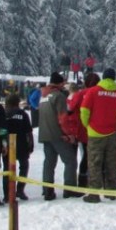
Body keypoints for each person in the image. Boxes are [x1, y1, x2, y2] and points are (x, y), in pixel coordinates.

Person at [81, 68, 116, 203]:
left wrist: (87, 125)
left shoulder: (93, 91)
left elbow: (84, 110)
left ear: (103, 77)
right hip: (111, 133)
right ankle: (111, 192)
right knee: (111, 163)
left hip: (95, 133)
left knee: (94, 163)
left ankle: (94, 194)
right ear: (114, 78)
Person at [38, 72, 78, 200]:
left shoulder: (43, 96)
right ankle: (70, 189)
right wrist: (68, 134)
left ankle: (47, 190)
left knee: (49, 163)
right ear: (59, 83)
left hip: (45, 133)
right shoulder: (59, 96)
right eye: (63, 83)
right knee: (70, 161)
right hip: (58, 134)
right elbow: (62, 118)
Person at [3, 94, 34, 201]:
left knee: (7, 169)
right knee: (24, 167)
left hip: (7, 145)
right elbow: (29, 132)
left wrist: (2, 143)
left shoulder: (4, 114)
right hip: (22, 145)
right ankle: (20, 190)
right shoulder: (23, 114)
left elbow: (1, 130)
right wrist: (31, 145)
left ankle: (7, 194)